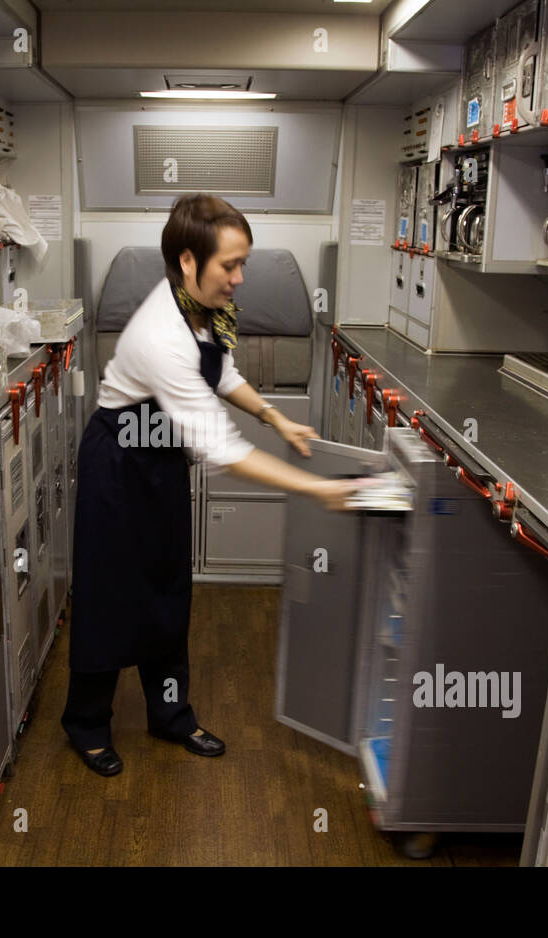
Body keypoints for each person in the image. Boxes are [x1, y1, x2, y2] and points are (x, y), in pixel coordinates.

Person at [62, 194, 357, 776]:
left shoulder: (205, 309)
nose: (240, 278)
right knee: (109, 596)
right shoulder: (159, 333)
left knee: (169, 592)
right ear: (189, 262)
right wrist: (316, 489)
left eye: (243, 263)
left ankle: (170, 716)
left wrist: (272, 415)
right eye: (230, 266)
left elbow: (221, 371)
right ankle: (87, 724)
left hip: (161, 457)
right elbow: (223, 448)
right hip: (119, 462)